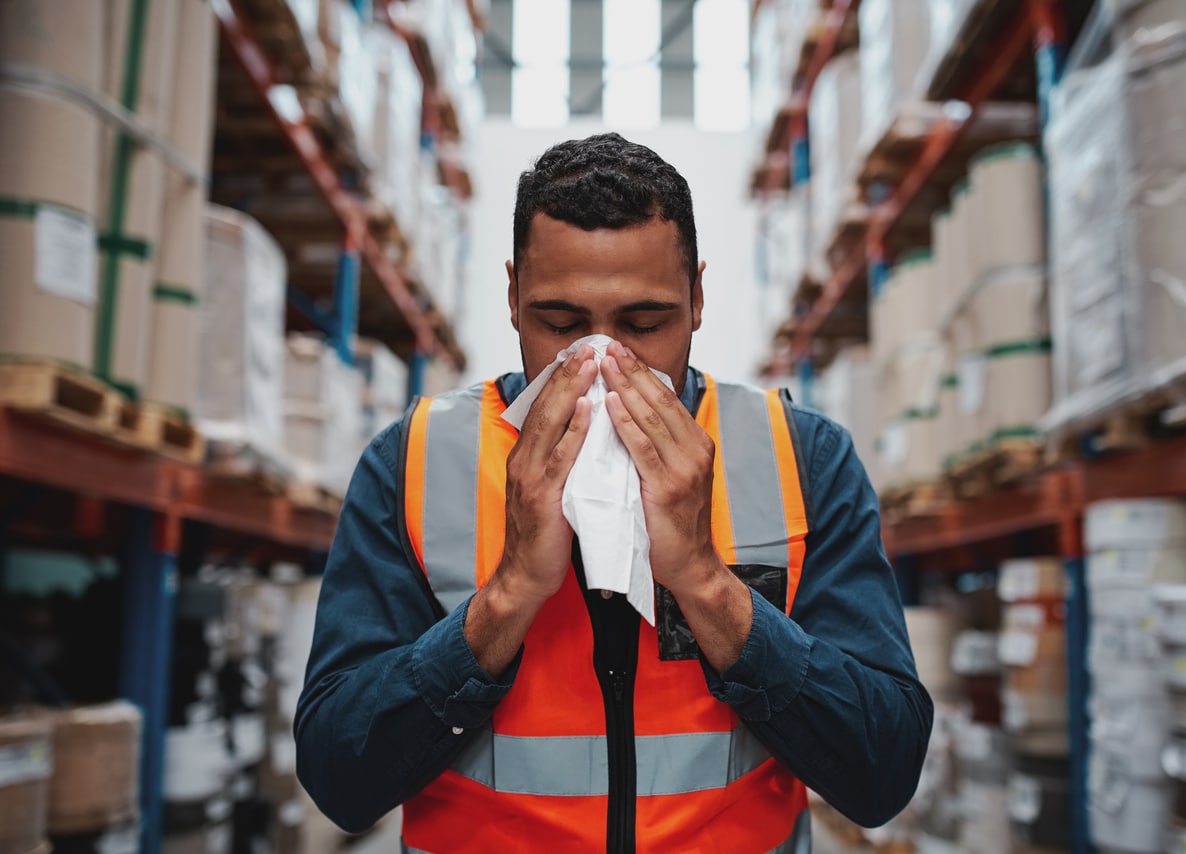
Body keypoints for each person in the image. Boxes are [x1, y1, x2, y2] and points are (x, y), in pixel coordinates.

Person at [295, 132, 933, 853]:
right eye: (560, 324)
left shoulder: (799, 457)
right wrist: (505, 599)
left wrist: (705, 584)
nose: (600, 361)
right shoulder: (413, 462)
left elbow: (881, 774)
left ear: (696, 297)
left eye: (643, 324)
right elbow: (338, 777)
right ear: (511, 298)